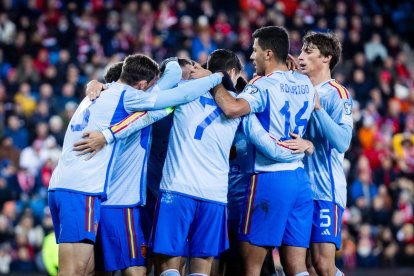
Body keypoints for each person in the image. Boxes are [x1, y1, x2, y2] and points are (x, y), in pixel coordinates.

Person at [48, 53, 224, 275]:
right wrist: (217, 76)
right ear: (142, 85)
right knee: (76, 270)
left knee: (87, 269)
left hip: (66, 185)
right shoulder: (129, 96)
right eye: (151, 86)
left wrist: (97, 87)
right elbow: (180, 92)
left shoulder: (99, 94)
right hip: (82, 190)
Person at [206, 26, 315, 276]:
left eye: (255, 51)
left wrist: (211, 82)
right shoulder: (304, 83)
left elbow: (233, 108)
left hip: (269, 179)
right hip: (299, 179)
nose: (252, 57)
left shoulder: (261, 86)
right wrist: (307, 145)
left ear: (268, 53)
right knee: (297, 267)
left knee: (251, 267)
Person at [284, 31, 353, 276]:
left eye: (308, 51)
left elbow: (343, 141)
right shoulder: (297, 90)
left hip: (326, 188)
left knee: (324, 264)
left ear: (326, 58)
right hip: (299, 187)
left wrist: (318, 108)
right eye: (301, 51)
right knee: (308, 266)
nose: (301, 56)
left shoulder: (337, 93)